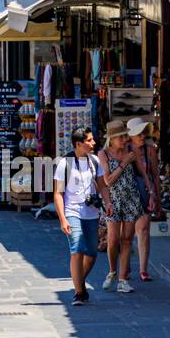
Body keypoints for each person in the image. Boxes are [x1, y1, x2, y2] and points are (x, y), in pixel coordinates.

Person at [53, 127, 101, 307]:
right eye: (89, 140)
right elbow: (58, 194)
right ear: (79, 144)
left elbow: (102, 186)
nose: (93, 143)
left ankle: (78, 282)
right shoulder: (65, 164)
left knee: (92, 254)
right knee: (77, 249)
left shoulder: (94, 161)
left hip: (91, 213)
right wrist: (62, 219)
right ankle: (79, 292)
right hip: (72, 212)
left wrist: (108, 203)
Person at [96, 120, 141, 294]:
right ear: (112, 139)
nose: (125, 139)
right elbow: (107, 180)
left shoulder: (131, 151)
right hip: (112, 200)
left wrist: (151, 192)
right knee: (113, 240)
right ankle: (112, 272)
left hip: (131, 198)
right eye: (121, 136)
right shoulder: (103, 154)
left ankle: (122, 279)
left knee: (127, 239)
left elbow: (142, 173)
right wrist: (124, 163)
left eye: (125, 136)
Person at [127, 117, 160, 282]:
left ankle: (143, 269)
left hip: (145, 194)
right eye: (138, 134)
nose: (142, 137)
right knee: (125, 234)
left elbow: (155, 175)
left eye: (144, 133)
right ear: (131, 135)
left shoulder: (149, 150)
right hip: (126, 195)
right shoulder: (124, 149)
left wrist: (158, 199)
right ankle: (124, 266)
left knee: (143, 230)